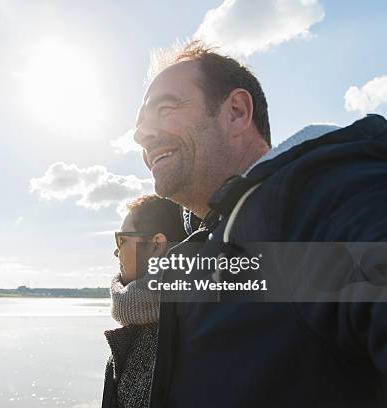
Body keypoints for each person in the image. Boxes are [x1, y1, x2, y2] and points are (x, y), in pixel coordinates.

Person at [133, 40, 387, 407]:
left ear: (236, 112)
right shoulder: (211, 244)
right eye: (141, 123)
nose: (141, 134)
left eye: (165, 108)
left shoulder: (321, 192)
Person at [101, 194, 188, 408]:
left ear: (157, 245)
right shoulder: (140, 325)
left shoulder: (189, 333)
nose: (115, 251)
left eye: (121, 240)